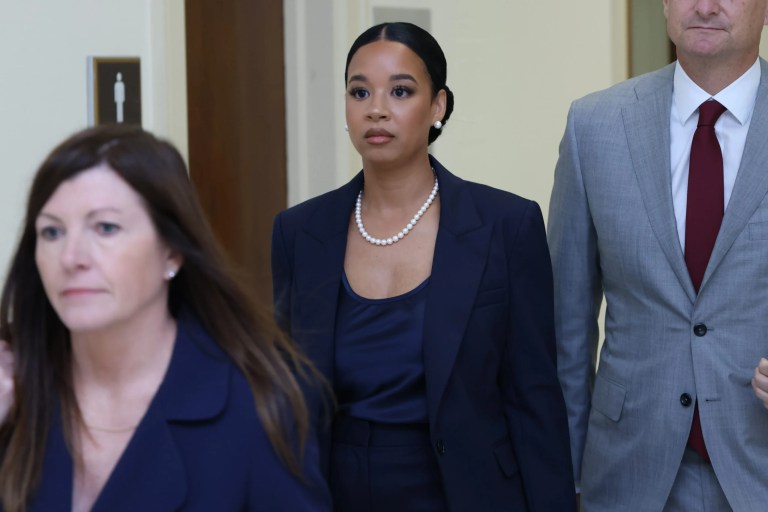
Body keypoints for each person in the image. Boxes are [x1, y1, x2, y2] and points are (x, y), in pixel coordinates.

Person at [272, 21, 575, 511]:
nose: (376, 108)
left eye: (400, 90)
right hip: (335, 493)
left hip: (467, 493)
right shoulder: (299, 234)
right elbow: (287, 402)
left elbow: (534, 400)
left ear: (438, 106)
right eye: (359, 91)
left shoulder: (506, 225)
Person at [0, 125, 331, 512]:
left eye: (106, 227)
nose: (71, 257)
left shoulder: (258, 407)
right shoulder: (16, 391)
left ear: (172, 252)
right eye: (52, 232)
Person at [548, 0, 768, 510]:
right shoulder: (593, 126)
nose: (706, 6)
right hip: (625, 472)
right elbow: (567, 327)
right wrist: (566, 477)